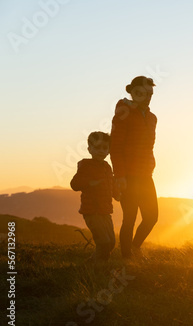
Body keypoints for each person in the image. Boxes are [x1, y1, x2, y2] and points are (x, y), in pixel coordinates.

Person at [110, 76, 158, 259]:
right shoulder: (124, 114)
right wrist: (120, 176)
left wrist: (151, 163)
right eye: (144, 93)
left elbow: (149, 146)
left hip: (146, 174)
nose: (148, 97)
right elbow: (115, 147)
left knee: (151, 217)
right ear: (133, 92)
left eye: (151, 94)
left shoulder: (152, 118)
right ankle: (126, 257)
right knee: (129, 218)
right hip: (128, 175)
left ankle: (135, 248)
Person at [70, 131, 120, 266]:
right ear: (89, 149)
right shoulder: (86, 166)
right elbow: (74, 184)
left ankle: (94, 262)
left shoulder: (107, 167)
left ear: (109, 150)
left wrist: (118, 194)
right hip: (91, 211)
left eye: (105, 147)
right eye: (97, 148)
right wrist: (89, 182)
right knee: (103, 241)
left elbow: (112, 185)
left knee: (111, 243)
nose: (101, 151)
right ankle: (97, 265)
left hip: (106, 211)